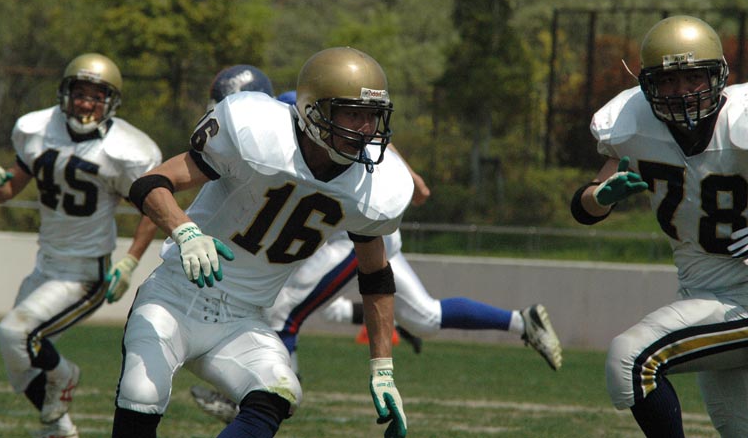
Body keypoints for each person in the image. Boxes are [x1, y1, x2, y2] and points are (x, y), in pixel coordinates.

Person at [191, 90, 563, 424]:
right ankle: (521, 321)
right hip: (361, 234)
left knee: (284, 313)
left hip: (355, 236)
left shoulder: (293, 107)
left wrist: (410, 176)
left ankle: (260, 400)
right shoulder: (286, 113)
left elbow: (361, 136)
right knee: (426, 319)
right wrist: (413, 177)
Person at [112, 46, 414, 438]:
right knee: (142, 393)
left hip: (243, 318)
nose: (366, 128)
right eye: (353, 114)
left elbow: (376, 276)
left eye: (372, 115)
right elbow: (151, 183)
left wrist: (383, 368)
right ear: (314, 110)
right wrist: (186, 232)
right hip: (174, 298)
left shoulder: (375, 184)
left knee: (279, 390)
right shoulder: (257, 132)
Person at [570, 14, 748, 437]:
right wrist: (601, 197)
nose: (681, 91)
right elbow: (585, 205)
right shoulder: (634, 124)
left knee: (631, 359)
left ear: (716, 76)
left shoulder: (741, 120)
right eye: (668, 80)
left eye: (693, 77)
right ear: (648, 84)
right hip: (703, 296)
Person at [0, 53, 162, 438]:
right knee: (18, 363)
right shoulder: (36, 128)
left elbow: (154, 208)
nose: (86, 104)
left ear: (110, 102)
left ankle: (65, 375)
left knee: (15, 334)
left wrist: (130, 261)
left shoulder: (126, 149)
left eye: (96, 97)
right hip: (45, 265)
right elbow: (10, 190)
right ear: (65, 93)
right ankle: (59, 429)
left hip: (83, 275)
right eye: (80, 94)